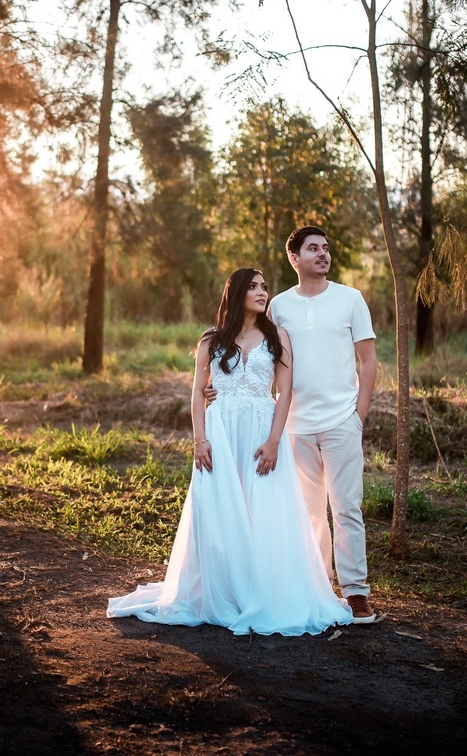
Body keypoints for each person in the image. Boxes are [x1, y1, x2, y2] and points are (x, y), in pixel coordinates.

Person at [107, 268, 353, 635]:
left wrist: (274, 441)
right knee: (221, 507)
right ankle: (222, 588)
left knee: (263, 508)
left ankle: (260, 589)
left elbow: (285, 392)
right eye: (253, 286)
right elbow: (196, 391)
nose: (261, 292)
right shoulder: (211, 339)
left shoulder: (278, 336)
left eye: (264, 287)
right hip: (220, 432)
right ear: (236, 293)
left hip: (261, 431)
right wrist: (200, 439)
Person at [267, 225, 379, 623]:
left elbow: (368, 361)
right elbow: (268, 363)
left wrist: (357, 417)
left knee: (347, 508)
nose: (322, 254)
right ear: (294, 258)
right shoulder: (278, 306)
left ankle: (355, 593)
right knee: (310, 511)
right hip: (295, 425)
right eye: (312, 248)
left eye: (326, 248)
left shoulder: (351, 299)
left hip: (340, 421)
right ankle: (317, 587)